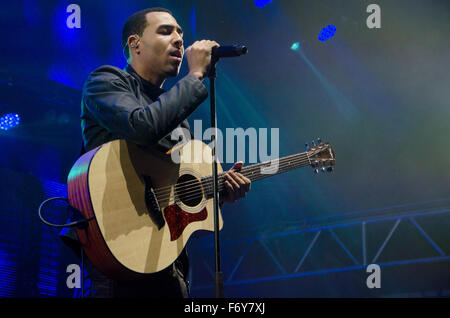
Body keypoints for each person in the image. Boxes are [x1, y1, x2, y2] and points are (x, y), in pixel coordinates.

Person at [60, 7, 251, 298]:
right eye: (166, 31)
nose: (178, 40)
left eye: (180, 33)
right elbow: (142, 126)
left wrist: (217, 193)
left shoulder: (176, 112)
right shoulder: (106, 81)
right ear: (134, 43)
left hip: (165, 263)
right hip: (115, 263)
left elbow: (174, 198)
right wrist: (197, 74)